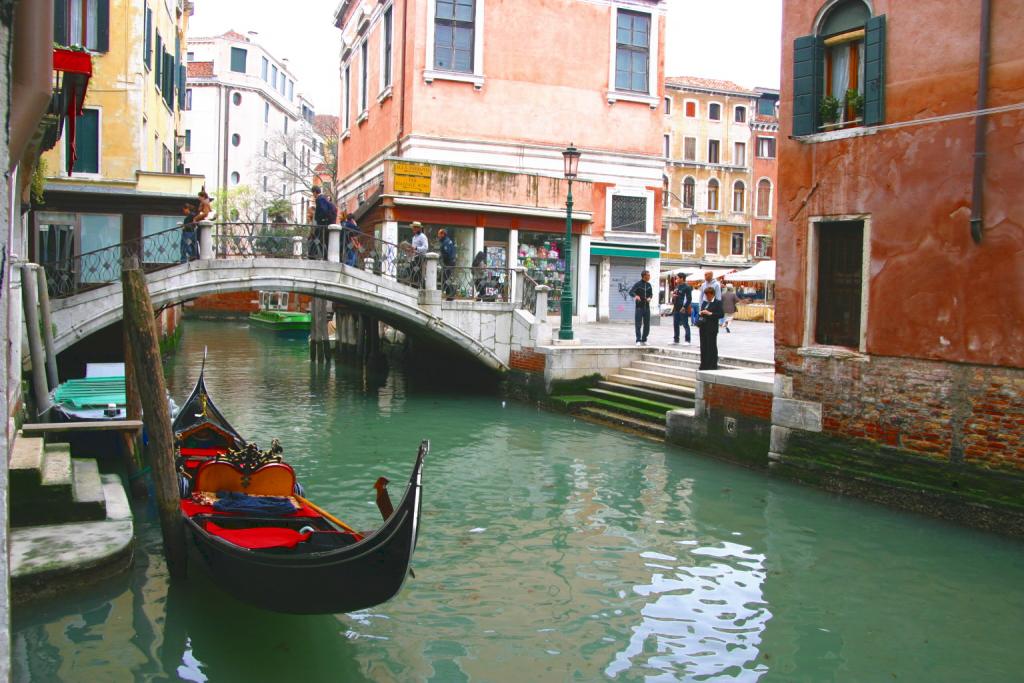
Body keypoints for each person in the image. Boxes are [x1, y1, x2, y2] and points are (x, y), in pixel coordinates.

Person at [697, 286, 724, 370]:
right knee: (703, 346)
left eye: (708, 295)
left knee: (711, 346)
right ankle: (703, 364)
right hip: (703, 327)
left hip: (712, 328)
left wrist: (710, 313)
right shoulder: (705, 303)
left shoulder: (717, 303)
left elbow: (721, 314)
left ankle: (712, 365)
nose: (707, 297)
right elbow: (701, 312)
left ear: (712, 294)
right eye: (706, 295)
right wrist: (701, 313)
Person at [628, 270, 653, 346]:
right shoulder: (638, 284)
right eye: (648, 275)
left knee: (647, 324)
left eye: (649, 275)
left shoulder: (649, 285)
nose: (649, 276)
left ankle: (644, 339)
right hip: (639, 307)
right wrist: (636, 296)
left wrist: (650, 298)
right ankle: (638, 339)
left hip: (647, 307)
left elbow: (651, 294)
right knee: (638, 324)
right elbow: (631, 292)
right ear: (644, 276)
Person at [311, 186, 336, 260]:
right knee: (324, 240)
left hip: (322, 223)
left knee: (316, 238)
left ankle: (313, 254)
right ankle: (325, 256)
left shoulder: (319, 199)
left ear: (315, 192)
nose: (313, 195)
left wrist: (320, 219)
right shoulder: (324, 198)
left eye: (313, 193)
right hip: (327, 223)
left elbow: (323, 210)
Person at [406, 221, 429, 286]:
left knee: (417, 273)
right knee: (412, 272)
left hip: (420, 257)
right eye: (413, 228)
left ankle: (418, 287)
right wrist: (410, 249)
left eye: (415, 228)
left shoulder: (422, 236)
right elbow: (414, 248)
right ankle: (414, 286)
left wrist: (416, 248)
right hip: (414, 257)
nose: (413, 229)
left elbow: (426, 247)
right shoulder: (414, 237)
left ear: (418, 228)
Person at [671, 275, 692, 344]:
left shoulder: (687, 287)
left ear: (682, 278)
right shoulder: (677, 286)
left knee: (685, 324)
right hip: (676, 307)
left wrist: (684, 307)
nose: (676, 279)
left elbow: (689, 299)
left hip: (683, 308)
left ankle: (687, 340)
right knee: (675, 324)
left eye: (677, 278)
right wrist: (673, 296)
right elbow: (675, 296)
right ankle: (676, 339)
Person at [438, 228, 457, 300]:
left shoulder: (446, 242)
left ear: (443, 234)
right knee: (445, 278)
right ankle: (449, 294)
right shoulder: (447, 241)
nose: (438, 236)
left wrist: (441, 257)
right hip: (449, 262)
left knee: (446, 279)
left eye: (439, 234)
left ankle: (451, 294)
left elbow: (447, 254)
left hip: (449, 263)